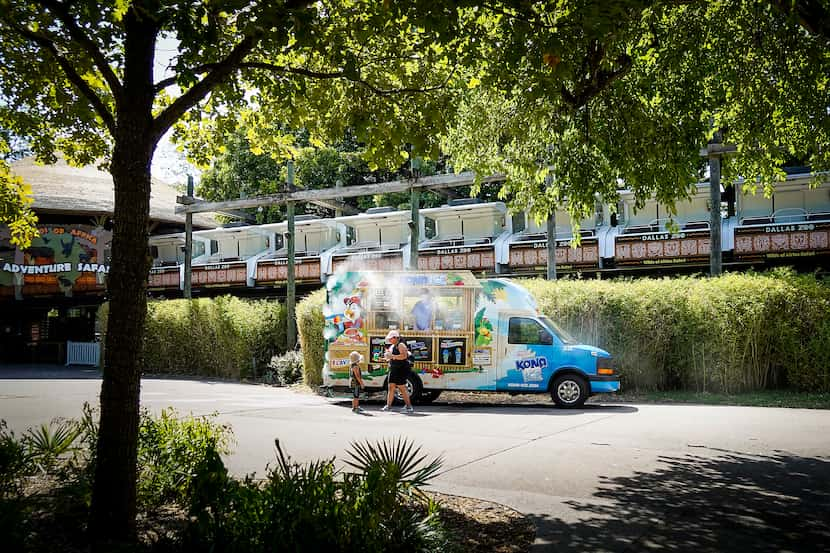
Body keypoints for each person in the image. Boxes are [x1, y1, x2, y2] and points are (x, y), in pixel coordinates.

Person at [382, 330, 414, 413]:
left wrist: (392, 356)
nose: (389, 340)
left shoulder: (401, 345)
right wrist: (384, 358)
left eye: (391, 338)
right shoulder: (392, 346)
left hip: (401, 369)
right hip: (393, 369)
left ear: (395, 338)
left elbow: (404, 356)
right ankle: (388, 406)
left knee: (402, 387)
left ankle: (409, 407)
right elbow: (391, 357)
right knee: (391, 387)